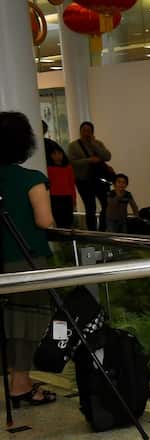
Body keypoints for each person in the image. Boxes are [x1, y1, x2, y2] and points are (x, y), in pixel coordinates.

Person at [0, 112, 57, 406]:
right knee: (25, 320)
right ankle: (20, 383)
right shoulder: (32, 179)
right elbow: (45, 221)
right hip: (26, 260)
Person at [66, 121, 111, 231]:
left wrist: (93, 144)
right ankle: (92, 232)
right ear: (80, 131)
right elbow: (71, 162)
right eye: (84, 130)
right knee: (90, 207)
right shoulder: (73, 146)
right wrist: (89, 160)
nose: (86, 132)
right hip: (83, 180)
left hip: (99, 179)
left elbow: (107, 156)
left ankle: (103, 230)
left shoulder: (97, 143)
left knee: (106, 204)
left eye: (89, 130)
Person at [45, 144, 76, 230]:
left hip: (67, 197)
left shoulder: (68, 168)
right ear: (50, 156)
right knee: (58, 221)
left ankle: (67, 241)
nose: (57, 156)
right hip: (54, 197)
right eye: (54, 154)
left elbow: (71, 184)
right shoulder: (48, 169)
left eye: (59, 153)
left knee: (68, 221)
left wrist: (74, 199)